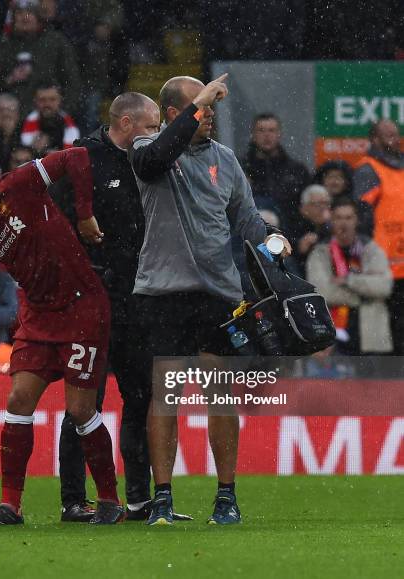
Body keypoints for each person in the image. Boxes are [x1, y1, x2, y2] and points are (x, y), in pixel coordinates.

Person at [0, 147, 123, 524]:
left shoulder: (15, 187)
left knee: (80, 409)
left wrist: (84, 215)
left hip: (81, 306)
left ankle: (110, 501)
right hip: (38, 314)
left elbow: (76, 157)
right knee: (18, 399)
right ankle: (10, 506)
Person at [128, 75, 290, 526]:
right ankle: (163, 497)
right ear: (176, 112)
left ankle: (226, 496)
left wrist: (272, 238)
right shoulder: (146, 148)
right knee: (166, 397)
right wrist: (199, 102)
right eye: (202, 107)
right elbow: (157, 158)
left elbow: (246, 217)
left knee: (220, 395)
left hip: (219, 292)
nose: (211, 115)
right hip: (163, 290)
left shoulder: (226, 159)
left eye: (213, 108)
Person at [50, 92, 163, 521]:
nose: (156, 135)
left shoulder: (150, 162)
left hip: (138, 297)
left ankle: (138, 499)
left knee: (140, 397)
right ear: (128, 123)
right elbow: (55, 225)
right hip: (90, 297)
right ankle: (74, 501)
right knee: (84, 403)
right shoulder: (81, 160)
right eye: (151, 126)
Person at [306, 197, 393, 355]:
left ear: (356, 220)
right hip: (333, 338)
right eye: (338, 218)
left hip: (370, 336)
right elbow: (321, 293)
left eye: (348, 217)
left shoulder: (372, 250)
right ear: (331, 220)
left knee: (375, 380)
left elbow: (384, 287)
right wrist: (363, 296)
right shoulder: (319, 253)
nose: (343, 223)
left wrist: (348, 280)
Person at [353, 120, 404, 354]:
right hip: (383, 268)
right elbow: (361, 220)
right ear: (374, 139)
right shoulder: (368, 169)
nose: (395, 139)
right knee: (387, 334)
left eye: (396, 134)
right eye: (388, 135)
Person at [0, 0, 81, 116]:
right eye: (19, 13)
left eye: (29, 13)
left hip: (49, 115)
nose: (24, 17)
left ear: (38, 17)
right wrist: (10, 79)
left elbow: (72, 81)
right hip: (12, 117)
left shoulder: (56, 42)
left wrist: (63, 112)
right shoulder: (3, 45)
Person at [243, 112, 310, 230]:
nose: (267, 135)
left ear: (279, 134)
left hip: (289, 235)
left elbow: (306, 208)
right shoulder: (240, 169)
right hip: (247, 235)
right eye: (261, 130)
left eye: (271, 130)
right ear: (253, 134)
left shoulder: (297, 171)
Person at [20, 84, 80, 154]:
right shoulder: (22, 123)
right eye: (42, 100)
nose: (47, 104)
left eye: (52, 99)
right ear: (35, 101)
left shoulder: (73, 123)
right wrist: (33, 149)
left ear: (60, 100)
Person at [289, 184, 332, 272]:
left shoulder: (335, 226)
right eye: (317, 204)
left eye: (326, 203)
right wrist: (299, 248)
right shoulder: (293, 227)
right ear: (303, 208)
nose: (323, 208)